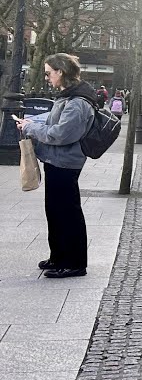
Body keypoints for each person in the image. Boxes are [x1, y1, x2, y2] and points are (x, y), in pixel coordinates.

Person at [14, 53, 96, 279]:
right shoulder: (68, 96)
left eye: (49, 73)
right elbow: (53, 120)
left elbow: (61, 134)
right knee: (55, 211)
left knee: (67, 213)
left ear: (61, 72)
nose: (47, 78)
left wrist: (31, 129)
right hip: (56, 160)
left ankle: (74, 263)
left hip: (66, 163)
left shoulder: (78, 102)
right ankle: (58, 256)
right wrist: (32, 122)